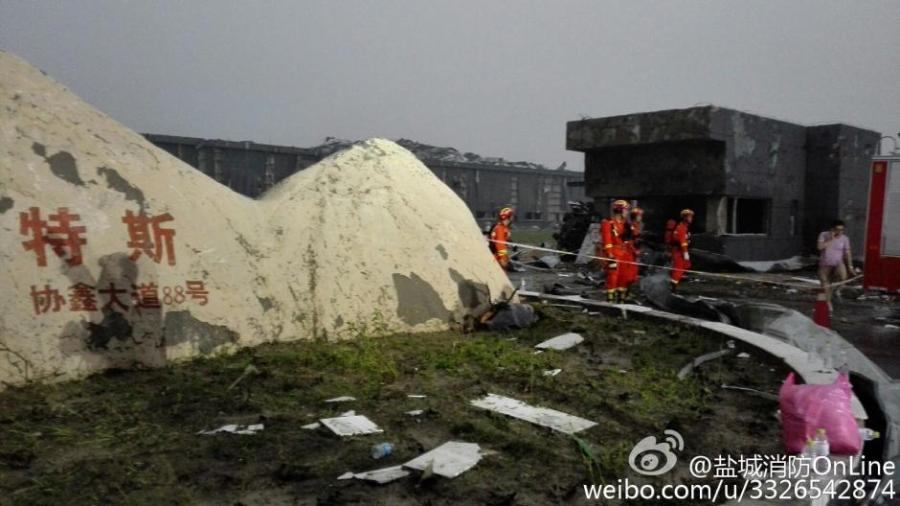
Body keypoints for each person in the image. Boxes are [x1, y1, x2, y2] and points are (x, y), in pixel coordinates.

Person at [817, 220, 857, 308]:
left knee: (843, 277)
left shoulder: (845, 238)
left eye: (842, 230)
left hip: (838, 262)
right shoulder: (824, 235)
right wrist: (832, 239)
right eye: (837, 230)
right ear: (832, 229)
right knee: (825, 283)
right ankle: (827, 303)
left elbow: (847, 253)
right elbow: (820, 247)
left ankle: (836, 290)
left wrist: (850, 266)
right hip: (826, 262)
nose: (839, 232)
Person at [598, 200, 630, 303]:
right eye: (626, 210)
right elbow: (606, 240)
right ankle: (610, 299)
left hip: (624, 253)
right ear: (620, 211)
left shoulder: (625, 224)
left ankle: (621, 299)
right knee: (613, 276)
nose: (627, 212)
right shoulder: (608, 223)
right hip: (614, 253)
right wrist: (610, 254)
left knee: (624, 276)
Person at [620, 206, 644, 300]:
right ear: (635, 216)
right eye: (640, 215)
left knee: (633, 275)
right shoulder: (630, 226)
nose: (641, 217)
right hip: (628, 252)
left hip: (633, 253)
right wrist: (636, 251)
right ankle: (623, 295)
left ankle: (627, 293)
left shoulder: (637, 226)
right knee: (628, 275)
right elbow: (628, 241)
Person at [670, 209, 694, 290]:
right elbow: (682, 242)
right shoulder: (681, 228)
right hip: (678, 252)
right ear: (685, 218)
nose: (691, 219)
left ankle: (673, 285)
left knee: (684, 267)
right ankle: (672, 288)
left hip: (680, 251)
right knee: (678, 269)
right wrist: (685, 252)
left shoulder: (685, 227)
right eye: (689, 217)